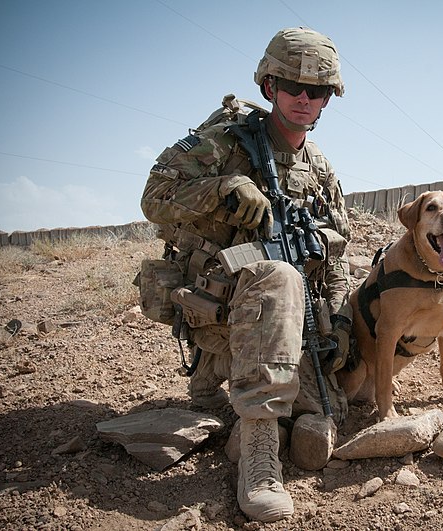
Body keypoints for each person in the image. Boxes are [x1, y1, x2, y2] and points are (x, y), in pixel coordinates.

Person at [139, 27, 352, 523]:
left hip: (289, 324)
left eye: (316, 90)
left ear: (327, 99)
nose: (303, 97)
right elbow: (152, 200)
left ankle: (249, 394)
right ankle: (258, 459)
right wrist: (222, 188)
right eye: (291, 86)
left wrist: (340, 325)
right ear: (268, 87)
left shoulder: (318, 168)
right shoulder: (223, 142)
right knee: (277, 274)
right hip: (218, 311)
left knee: (327, 411)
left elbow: (337, 254)